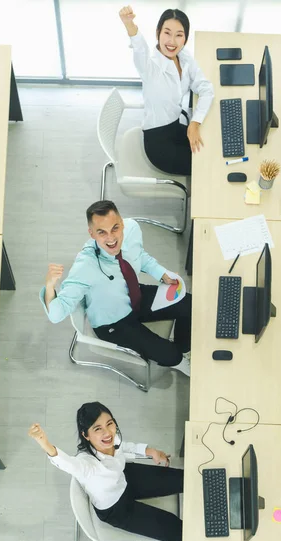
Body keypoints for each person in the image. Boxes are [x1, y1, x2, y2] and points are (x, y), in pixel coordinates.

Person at [40, 200, 191, 376]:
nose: (111, 238)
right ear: (91, 234)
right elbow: (56, 315)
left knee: (188, 304)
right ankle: (179, 358)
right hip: (112, 322)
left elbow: (140, 256)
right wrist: (50, 285)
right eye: (101, 232)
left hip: (133, 296)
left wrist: (161, 273)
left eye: (115, 228)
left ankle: (184, 348)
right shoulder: (85, 266)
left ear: (122, 223)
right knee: (171, 356)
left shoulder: (132, 229)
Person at [28, 401, 183, 541]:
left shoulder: (113, 439)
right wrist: (44, 443)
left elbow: (125, 446)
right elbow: (66, 463)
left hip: (124, 477)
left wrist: (151, 451)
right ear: (85, 435)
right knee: (176, 529)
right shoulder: (86, 465)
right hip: (116, 508)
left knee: (182, 479)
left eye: (110, 424)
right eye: (97, 429)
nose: (107, 432)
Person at [119, 5, 214, 176]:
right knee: (204, 167)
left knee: (212, 150)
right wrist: (129, 25)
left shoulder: (183, 58)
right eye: (167, 33)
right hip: (158, 143)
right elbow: (140, 50)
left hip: (175, 127)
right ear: (158, 33)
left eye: (179, 35)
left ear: (185, 38)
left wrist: (194, 123)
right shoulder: (150, 67)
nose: (172, 41)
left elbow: (206, 89)